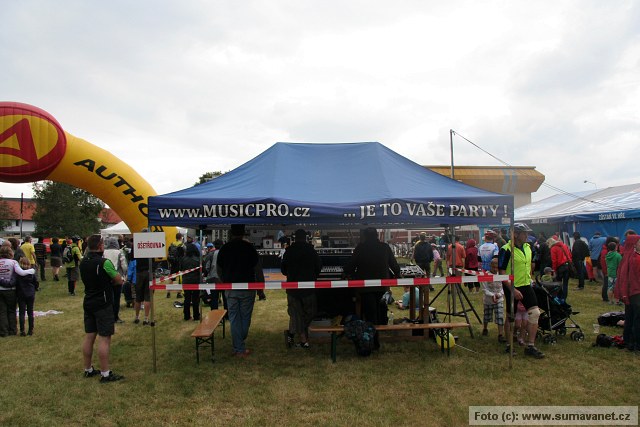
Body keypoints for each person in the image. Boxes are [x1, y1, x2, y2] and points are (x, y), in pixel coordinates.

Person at [79, 234, 124, 382]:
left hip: (89, 300)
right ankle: (105, 373)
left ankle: (88, 369)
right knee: (104, 338)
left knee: (90, 335)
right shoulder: (105, 263)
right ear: (100, 246)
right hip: (103, 303)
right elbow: (118, 280)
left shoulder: (83, 262)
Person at [498, 222, 545, 359]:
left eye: (528, 233)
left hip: (526, 284)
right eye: (525, 233)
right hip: (511, 285)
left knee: (535, 313)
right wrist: (512, 289)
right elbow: (501, 272)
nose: (527, 236)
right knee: (511, 316)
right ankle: (509, 345)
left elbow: (529, 264)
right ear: (516, 234)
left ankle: (530, 345)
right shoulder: (506, 249)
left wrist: (530, 277)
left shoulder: (528, 247)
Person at [216, 224, 260, 358]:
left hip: (230, 287)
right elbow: (257, 268)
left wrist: (224, 281)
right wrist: (260, 287)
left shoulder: (224, 248)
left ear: (231, 233)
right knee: (245, 317)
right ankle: (240, 346)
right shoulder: (250, 248)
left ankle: (238, 346)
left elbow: (219, 269)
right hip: (248, 287)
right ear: (243, 233)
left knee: (234, 318)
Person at [344, 227, 400, 327]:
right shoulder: (385, 247)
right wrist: (398, 274)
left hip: (366, 287)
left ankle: (372, 334)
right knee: (381, 309)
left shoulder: (360, 248)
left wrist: (348, 273)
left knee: (370, 313)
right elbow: (394, 265)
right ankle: (381, 330)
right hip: (383, 286)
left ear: (364, 236)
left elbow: (350, 266)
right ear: (376, 235)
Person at [281, 229, 322, 348]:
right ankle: (303, 338)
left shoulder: (289, 251)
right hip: (309, 288)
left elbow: (283, 269)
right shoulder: (311, 250)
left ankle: (296, 334)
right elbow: (319, 266)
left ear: (294, 238)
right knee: (309, 313)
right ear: (306, 238)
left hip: (293, 289)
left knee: (295, 314)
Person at [0, 246, 35, 337]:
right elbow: (21, 273)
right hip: (10, 290)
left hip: (0, 289)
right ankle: (12, 330)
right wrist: (32, 270)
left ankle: (3, 331)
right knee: (11, 310)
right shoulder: (13, 262)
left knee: (2, 311)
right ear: (10, 253)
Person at [614, 234, 640, 354]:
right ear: (634, 244)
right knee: (636, 319)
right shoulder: (634, 258)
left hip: (630, 292)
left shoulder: (626, 257)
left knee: (630, 317)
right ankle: (636, 344)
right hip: (636, 292)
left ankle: (628, 340)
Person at [103, 237, 128, 323]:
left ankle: (107, 316)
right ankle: (115, 317)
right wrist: (125, 275)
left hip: (106, 277)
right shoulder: (119, 252)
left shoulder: (104, 252)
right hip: (117, 277)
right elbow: (124, 266)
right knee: (116, 298)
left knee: (108, 298)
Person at [481, 259, 505, 342]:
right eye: (493, 267)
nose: (495, 269)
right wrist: (492, 295)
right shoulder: (486, 275)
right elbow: (484, 289)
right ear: (490, 266)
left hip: (499, 298)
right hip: (488, 299)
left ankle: (500, 334)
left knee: (500, 316)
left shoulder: (501, 275)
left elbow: (503, 287)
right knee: (487, 315)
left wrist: (499, 294)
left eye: (497, 267)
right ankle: (485, 328)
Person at [16, 257, 38, 336]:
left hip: (21, 293)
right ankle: (31, 330)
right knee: (30, 312)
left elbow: (16, 283)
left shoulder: (18, 273)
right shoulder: (31, 273)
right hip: (30, 293)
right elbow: (36, 282)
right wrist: (35, 288)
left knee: (22, 312)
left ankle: (22, 330)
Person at [180, 243, 202, 321]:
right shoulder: (198, 259)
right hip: (196, 281)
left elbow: (181, 269)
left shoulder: (183, 259)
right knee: (196, 299)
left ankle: (187, 316)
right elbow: (201, 270)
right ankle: (196, 316)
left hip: (186, 281)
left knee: (187, 298)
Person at [203, 239, 226, 311]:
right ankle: (227, 315)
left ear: (214, 246)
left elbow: (207, 267)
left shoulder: (210, 254)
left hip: (213, 278)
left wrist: (206, 274)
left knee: (214, 299)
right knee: (225, 298)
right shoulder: (226, 254)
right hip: (224, 279)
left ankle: (214, 315)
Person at [548, 236, 572, 300]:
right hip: (567, 266)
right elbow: (569, 255)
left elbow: (554, 261)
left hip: (560, 267)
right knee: (565, 284)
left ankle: (559, 296)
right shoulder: (564, 245)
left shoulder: (553, 248)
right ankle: (564, 298)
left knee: (558, 283)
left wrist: (554, 270)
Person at [167, 232, 185, 299]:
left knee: (172, 278)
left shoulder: (172, 244)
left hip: (173, 263)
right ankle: (179, 293)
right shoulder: (182, 245)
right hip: (179, 263)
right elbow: (184, 253)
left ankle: (168, 292)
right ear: (181, 237)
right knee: (180, 279)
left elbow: (168, 253)